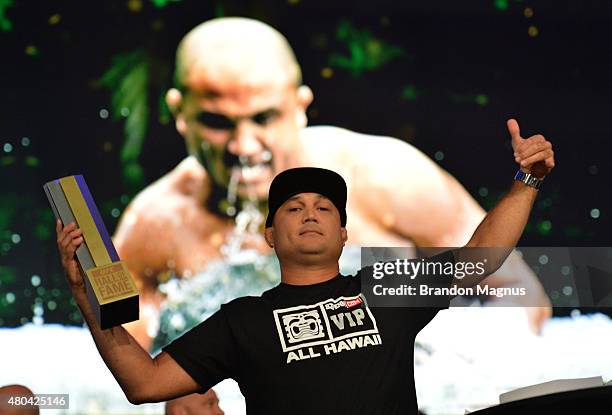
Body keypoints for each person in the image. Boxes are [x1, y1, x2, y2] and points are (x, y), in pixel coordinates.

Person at [55, 119, 555, 413]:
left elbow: (480, 258)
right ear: (270, 235)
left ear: (343, 234)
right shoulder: (240, 319)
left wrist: (524, 183)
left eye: (324, 208)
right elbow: (145, 385)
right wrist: (85, 297)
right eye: (294, 208)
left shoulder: (388, 288)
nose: (310, 213)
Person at [112, 17, 551, 352]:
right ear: (180, 113)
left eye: (264, 118)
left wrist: (450, 389)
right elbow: (119, 369)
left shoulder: (384, 176)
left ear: (299, 106)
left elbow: (522, 298)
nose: (244, 145)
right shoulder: (152, 226)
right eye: (216, 123)